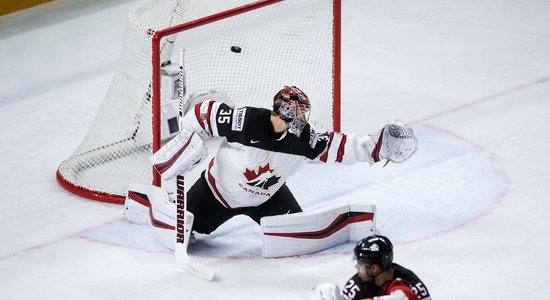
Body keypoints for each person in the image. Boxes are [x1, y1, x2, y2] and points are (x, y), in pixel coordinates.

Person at [146, 86, 418, 237]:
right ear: (285, 110)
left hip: (269, 197)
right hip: (217, 193)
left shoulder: (303, 140)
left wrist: (374, 148)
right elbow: (203, 112)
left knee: (294, 232)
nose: (303, 116)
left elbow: (339, 146)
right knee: (195, 229)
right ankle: (173, 204)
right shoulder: (245, 121)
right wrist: (189, 139)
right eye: (298, 110)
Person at [311, 234, 431, 300]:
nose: (357, 267)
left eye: (361, 264)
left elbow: (405, 298)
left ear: (374, 268)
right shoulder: (358, 283)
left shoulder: (411, 284)